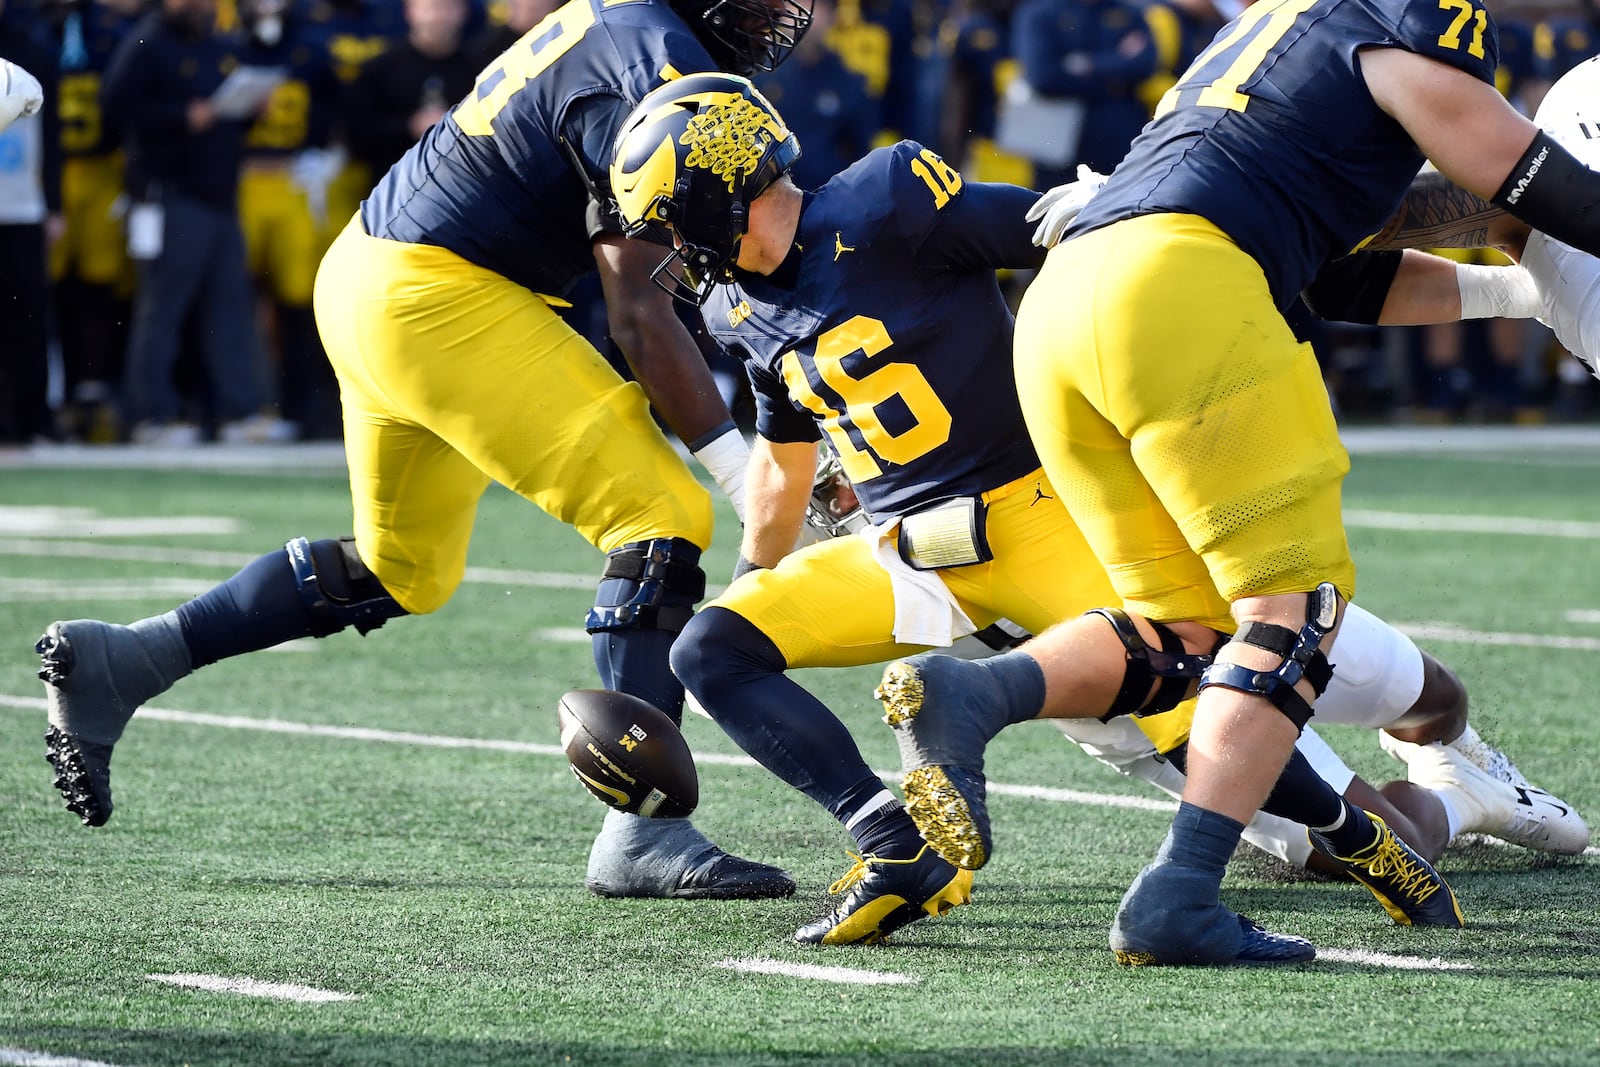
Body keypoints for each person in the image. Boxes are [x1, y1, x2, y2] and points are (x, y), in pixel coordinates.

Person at [608, 74, 1563, 947]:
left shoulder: (888, 199)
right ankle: (891, 838)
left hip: (1052, 520)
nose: (674, 248)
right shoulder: (738, 307)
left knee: (1247, 698)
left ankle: (1405, 817)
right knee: (711, 648)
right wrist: (752, 582)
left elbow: (1071, 232)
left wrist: (1095, 206)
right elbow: (782, 459)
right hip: (905, 553)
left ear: (715, 192)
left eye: (673, 220)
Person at [873, 0, 1600, 967]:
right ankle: (1178, 891)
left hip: (1066, 300)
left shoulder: (1271, 38)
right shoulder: (1405, 21)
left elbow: (1334, 274)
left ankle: (982, 694)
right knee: (1290, 617)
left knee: (1188, 628)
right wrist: (1545, 246)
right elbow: (1539, 185)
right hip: (1181, 287)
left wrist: (1515, 294)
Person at [35, 0, 812, 902]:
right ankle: (644, 830)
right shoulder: (655, 66)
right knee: (659, 510)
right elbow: (640, 309)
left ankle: (130, 658)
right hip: (441, 292)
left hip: (370, 275)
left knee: (402, 566)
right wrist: (736, 463)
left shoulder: (630, 29)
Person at [101, 0, 289, 445]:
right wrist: (182, 117)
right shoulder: (146, 40)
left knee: (229, 308)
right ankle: (153, 416)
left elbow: (220, 114)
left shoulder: (214, 43)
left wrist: (245, 111)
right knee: (162, 309)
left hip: (221, 193)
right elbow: (115, 109)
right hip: (171, 192)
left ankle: (239, 412)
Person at [0, 21, 61, 445]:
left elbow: (51, 129)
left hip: (22, 203)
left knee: (28, 317)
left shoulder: (29, 45)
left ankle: (34, 417)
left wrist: (54, 204)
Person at [342, 0, 478, 181]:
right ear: (409, 11)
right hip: (391, 185)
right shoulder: (379, 69)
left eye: (448, 7)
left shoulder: (481, 68)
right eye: (430, 8)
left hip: (465, 183)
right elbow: (355, 134)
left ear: (464, 11)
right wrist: (409, 127)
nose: (438, 18)